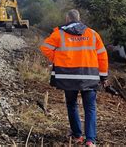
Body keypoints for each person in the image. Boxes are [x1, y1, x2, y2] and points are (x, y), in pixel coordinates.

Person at [39, 9, 108, 147]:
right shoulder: (93, 34)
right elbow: (102, 56)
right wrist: (104, 76)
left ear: (67, 19)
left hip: (68, 77)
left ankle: (77, 135)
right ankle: (90, 140)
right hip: (90, 77)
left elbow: (44, 48)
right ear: (79, 18)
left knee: (71, 105)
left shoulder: (59, 34)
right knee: (90, 108)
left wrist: (58, 59)